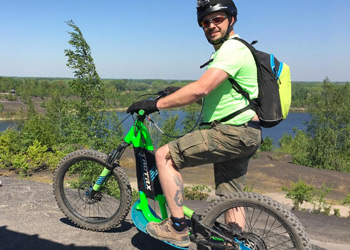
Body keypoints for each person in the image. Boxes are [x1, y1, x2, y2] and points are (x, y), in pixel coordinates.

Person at [127, 0, 261, 247]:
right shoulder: (233, 51)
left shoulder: (232, 49)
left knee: (164, 156)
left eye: (217, 19)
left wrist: (155, 104)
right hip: (247, 133)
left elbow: (200, 89)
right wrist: (175, 91)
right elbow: (217, 94)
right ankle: (235, 242)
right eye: (205, 22)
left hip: (230, 132)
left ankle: (176, 226)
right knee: (232, 197)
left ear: (232, 18)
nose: (210, 25)